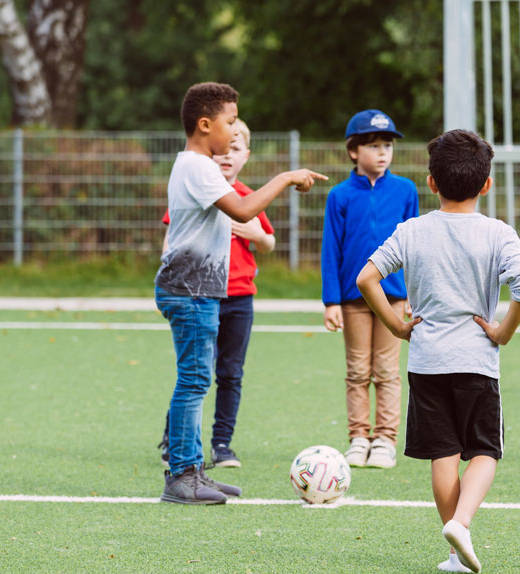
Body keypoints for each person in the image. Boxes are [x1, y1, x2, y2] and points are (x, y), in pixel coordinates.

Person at [357, 129, 520, 574]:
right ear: (486, 184)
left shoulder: (413, 230)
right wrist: (503, 332)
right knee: (484, 452)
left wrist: (398, 326)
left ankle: (457, 552)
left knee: (443, 456)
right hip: (477, 360)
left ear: (431, 183)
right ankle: (462, 522)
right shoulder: (498, 233)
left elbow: (366, 279)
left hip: (427, 362)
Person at [156, 82, 325, 504]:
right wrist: (286, 177)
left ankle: (193, 468)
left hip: (198, 290)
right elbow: (245, 211)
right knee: (194, 380)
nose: (234, 132)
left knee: (198, 378)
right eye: (230, 122)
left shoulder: (200, 165)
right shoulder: (197, 167)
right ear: (205, 124)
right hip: (190, 290)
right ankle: (181, 475)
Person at [158, 118, 275, 469]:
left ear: (245, 156)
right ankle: (177, 442)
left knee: (228, 373)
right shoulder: (197, 182)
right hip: (198, 293)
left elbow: (268, 241)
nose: (228, 154)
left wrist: (256, 233)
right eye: (228, 141)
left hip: (238, 297)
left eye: (237, 148)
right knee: (196, 373)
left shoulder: (249, 198)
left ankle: (220, 444)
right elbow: (173, 238)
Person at [321, 110, 420, 469]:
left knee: (388, 371)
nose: (383, 152)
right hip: (352, 299)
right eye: (374, 145)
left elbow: (414, 247)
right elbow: (331, 249)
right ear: (354, 151)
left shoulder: (406, 190)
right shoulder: (340, 195)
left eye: (387, 145)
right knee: (358, 371)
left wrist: (413, 293)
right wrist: (331, 300)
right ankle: (359, 437)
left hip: (393, 297)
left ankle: (385, 440)